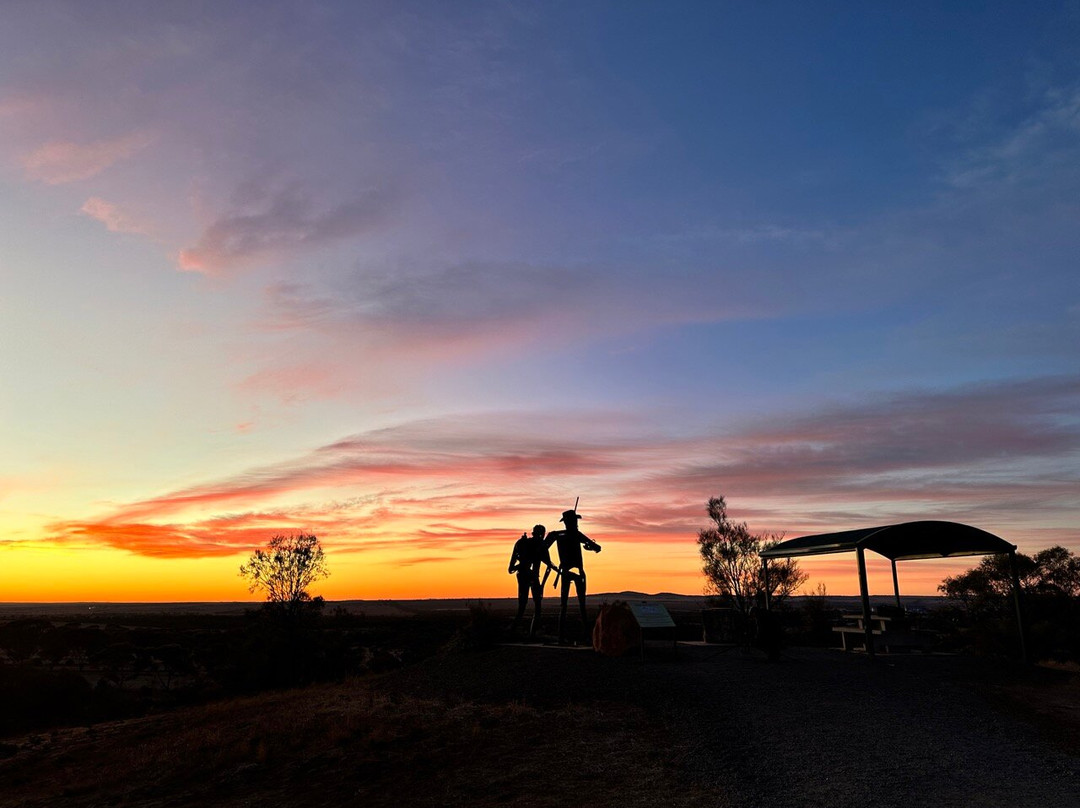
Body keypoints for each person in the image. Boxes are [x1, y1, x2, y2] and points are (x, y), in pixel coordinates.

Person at [545, 508, 601, 644]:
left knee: (564, 606)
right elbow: (597, 547)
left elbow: (542, 549)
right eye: (574, 520)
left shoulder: (557, 535)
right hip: (576, 572)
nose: (576, 522)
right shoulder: (574, 534)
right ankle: (585, 637)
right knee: (579, 605)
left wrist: (552, 565)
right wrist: (590, 547)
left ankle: (562, 637)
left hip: (566, 572)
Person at [508, 524, 551, 638]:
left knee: (524, 605)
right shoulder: (538, 545)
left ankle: (519, 632)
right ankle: (525, 633)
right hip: (528, 577)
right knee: (535, 606)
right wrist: (541, 585)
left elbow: (511, 568)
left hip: (524, 576)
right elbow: (549, 566)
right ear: (542, 535)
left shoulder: (521, 544)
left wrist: (521, 566)